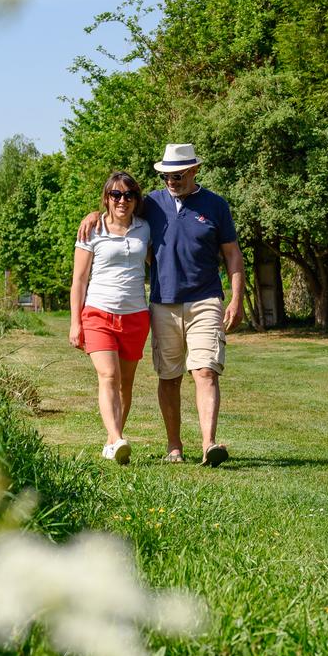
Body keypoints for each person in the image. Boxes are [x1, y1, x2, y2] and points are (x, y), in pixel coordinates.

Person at [78, 143, 244, 466]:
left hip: (205, 299)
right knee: (168, 377)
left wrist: (236, 298)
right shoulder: (152, 203)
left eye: (178, 175)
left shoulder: (215, 205)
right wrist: (95, 213)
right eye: (166, 175)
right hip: (162, 303)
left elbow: (233, 254)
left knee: (206, 371)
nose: (171, 180)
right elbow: (118, 209)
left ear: (194, 171)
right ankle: (174, 447)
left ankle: (209, 444)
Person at [68, 171, 151, 465]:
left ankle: (111, 441)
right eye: (115, 195)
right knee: (108, 375)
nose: (122, 200)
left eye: (128, 195)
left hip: (136, 316)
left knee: (126, 382)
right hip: (98, 313)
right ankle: (117, 438)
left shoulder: (145, 228)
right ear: (106, 198)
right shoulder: (92, 230)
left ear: (136, 200)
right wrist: (76, 322)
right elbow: (79, 279)